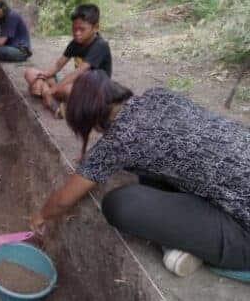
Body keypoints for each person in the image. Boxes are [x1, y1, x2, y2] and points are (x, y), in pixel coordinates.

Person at [30, 70, 250, 278]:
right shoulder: (158, 95)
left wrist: (41, 216)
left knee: (121, 204)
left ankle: (192, 247)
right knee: (149, 172)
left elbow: (62, 201)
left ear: (94, 122)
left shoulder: (118, 141)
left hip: (243, 228)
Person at [24, 4, 112, 118]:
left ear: (95, 27)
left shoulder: (100, 46)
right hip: (78, 85)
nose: (77, 33)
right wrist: (41, 77)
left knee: (66, 89)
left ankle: (52, 99)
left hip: (95, 91)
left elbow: (79, 72)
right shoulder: (75, 43)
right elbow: (57, 66)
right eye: (74, 29)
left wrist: (53, 89)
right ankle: (52, 98)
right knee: (30, 73)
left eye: (82, 29)